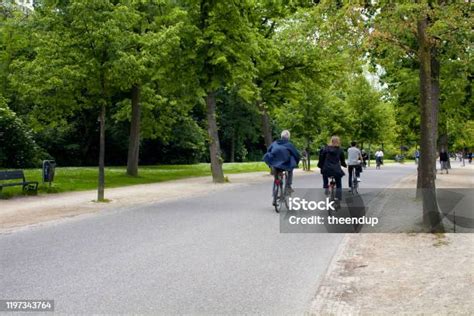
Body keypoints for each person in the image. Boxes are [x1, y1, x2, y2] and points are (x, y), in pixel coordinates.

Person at [317, 136, 347, 201]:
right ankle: (338, 197)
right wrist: (344, 165)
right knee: (338, 183)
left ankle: (326, 186)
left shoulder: (325, 149)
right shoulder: (340, 150)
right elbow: (342, 161)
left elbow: (321, 158)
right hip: (336, 170)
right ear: (338, 142)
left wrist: (320, 166)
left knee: (324, 173)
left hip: (327, 168)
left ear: (331, 141)